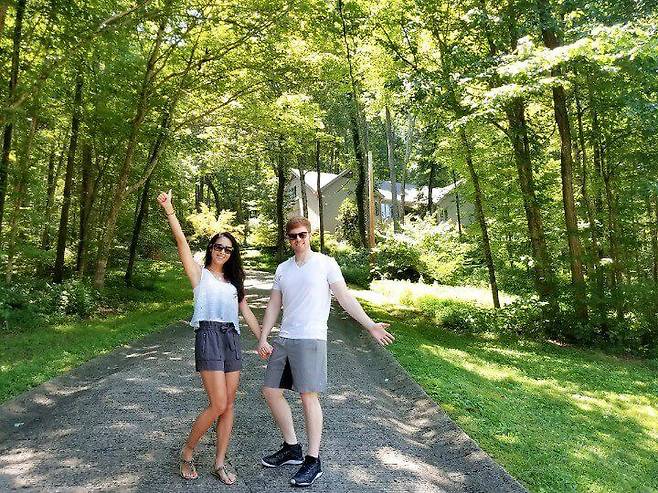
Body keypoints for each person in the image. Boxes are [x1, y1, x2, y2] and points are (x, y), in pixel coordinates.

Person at [257, 216, 395, 487]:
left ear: (310, 235)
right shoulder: (283, 269)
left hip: (311, 339)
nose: (298, 240)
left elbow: (344, 297)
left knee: (308, 397)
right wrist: (264, 336)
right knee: (271, 391)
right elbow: (274, 304)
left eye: (303, 234)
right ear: (288, 239)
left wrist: (370, 325)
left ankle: (313, 460)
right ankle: (292, 448)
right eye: (293, 236)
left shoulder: (325, 264)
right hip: (285, 338)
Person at [157, 189, 263, 484]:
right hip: (208, 336)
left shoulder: (233, 282)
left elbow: (246, 312)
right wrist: (170, 210)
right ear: (211, 248)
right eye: (218, 247)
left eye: (228, 249)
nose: (222, 252)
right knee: (217, 404)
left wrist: (262, 339)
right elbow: (181, 241)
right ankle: (188, 451)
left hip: (231, 339)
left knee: (229, 406)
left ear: (232, 254)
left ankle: (219, 461)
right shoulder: (199, 275)